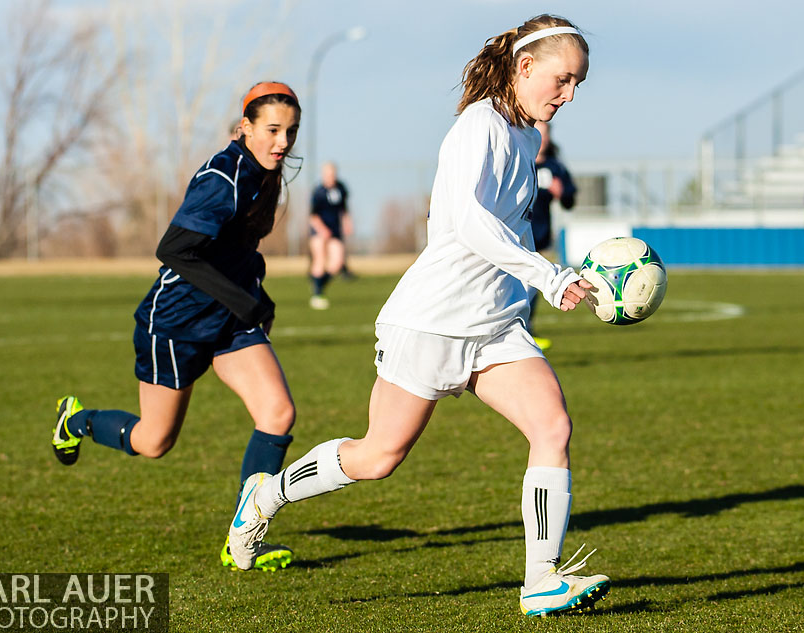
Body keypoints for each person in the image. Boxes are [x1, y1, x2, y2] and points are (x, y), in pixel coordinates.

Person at [229, 15, 610, 617]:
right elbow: (469, 223)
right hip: (431, 321)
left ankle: (541, 581)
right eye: (563, 79)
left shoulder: (525, 136)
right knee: (379, 457)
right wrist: (547, 273)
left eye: (578, 85)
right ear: (525, 66)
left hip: (493, 325)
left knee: (552, 428)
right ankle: (265, 498)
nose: (568, 95)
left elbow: (510, 229)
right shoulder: (477, 127)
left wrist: (555, 282)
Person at [51, 82, 302, 573]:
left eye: (291, 131)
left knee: (278, 414)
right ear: (245, 127)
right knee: (154, 441)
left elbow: (239, 248)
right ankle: (75, 421)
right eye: (272, 130)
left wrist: (256, 296)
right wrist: (242, 300)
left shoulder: (265, 174)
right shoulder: (222, 178)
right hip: (176, 322)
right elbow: (174, 249)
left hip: (227, 321)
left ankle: (241, 540)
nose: (283, 142)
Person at [528, 120, 577, 350]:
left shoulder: (554, 167)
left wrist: (562, 193)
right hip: (514, 235)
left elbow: (569, 200)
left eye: (546, 134)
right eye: (540, 133)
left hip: (538, 236)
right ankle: (521, 331)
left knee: (530, 285)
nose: (543, 139)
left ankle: (525, 331)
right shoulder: (520, 160)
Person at [307, 161, 353, 309]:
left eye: (332, 174)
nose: (330, 177)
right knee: (320, 260)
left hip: (335, 231)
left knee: (337, 263)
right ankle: (317, 294)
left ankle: (318, 283)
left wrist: (346, 223)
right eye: (327, 174)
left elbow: (344, 209)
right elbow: (312, 216)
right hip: (319, 232)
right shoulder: (318, 192)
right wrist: (322, 230)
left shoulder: (341, 189)